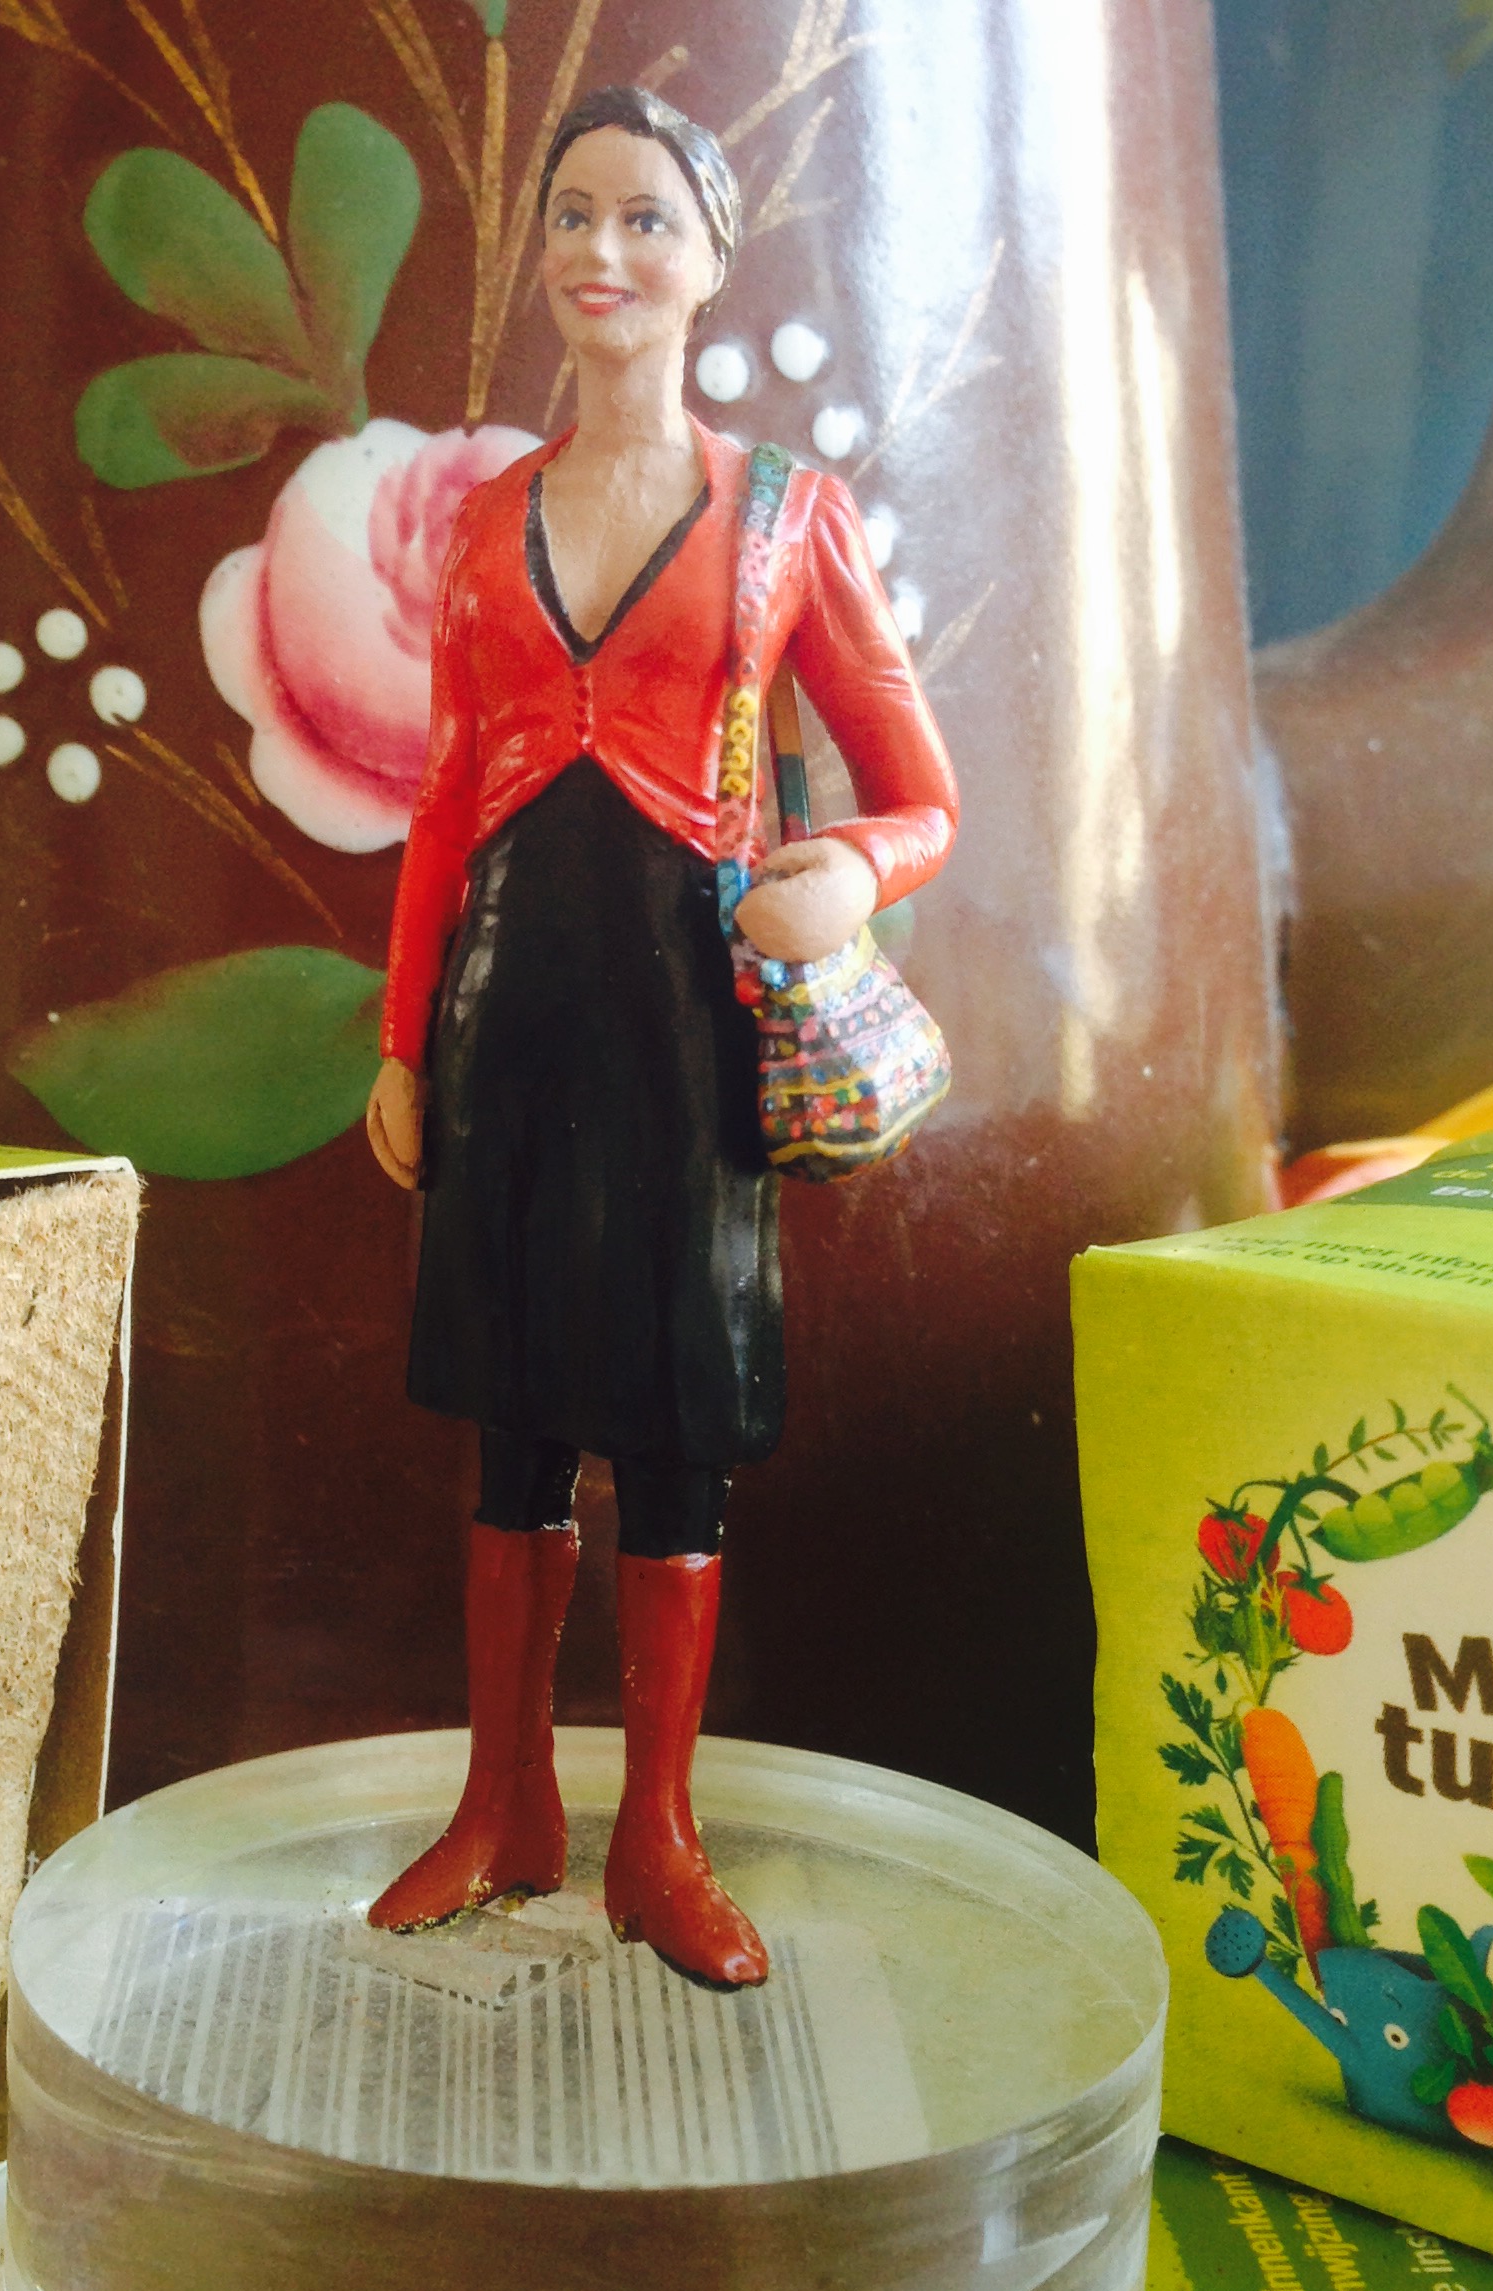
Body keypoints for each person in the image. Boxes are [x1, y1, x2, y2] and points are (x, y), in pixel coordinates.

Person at [363, 84, 957, 1988]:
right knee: (514, 1424)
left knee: (679, 1426)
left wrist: (851, 871)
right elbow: (440, 804)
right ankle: (505, 1802)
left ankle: (661, 1837)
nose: (602, 252)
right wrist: (401, 1041)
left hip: (687, 1026)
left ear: (708, 262)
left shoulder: (788, 519)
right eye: (573, 215)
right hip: (509, 1010)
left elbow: (921, 791)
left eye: (645, 219)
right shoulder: (484, 524)